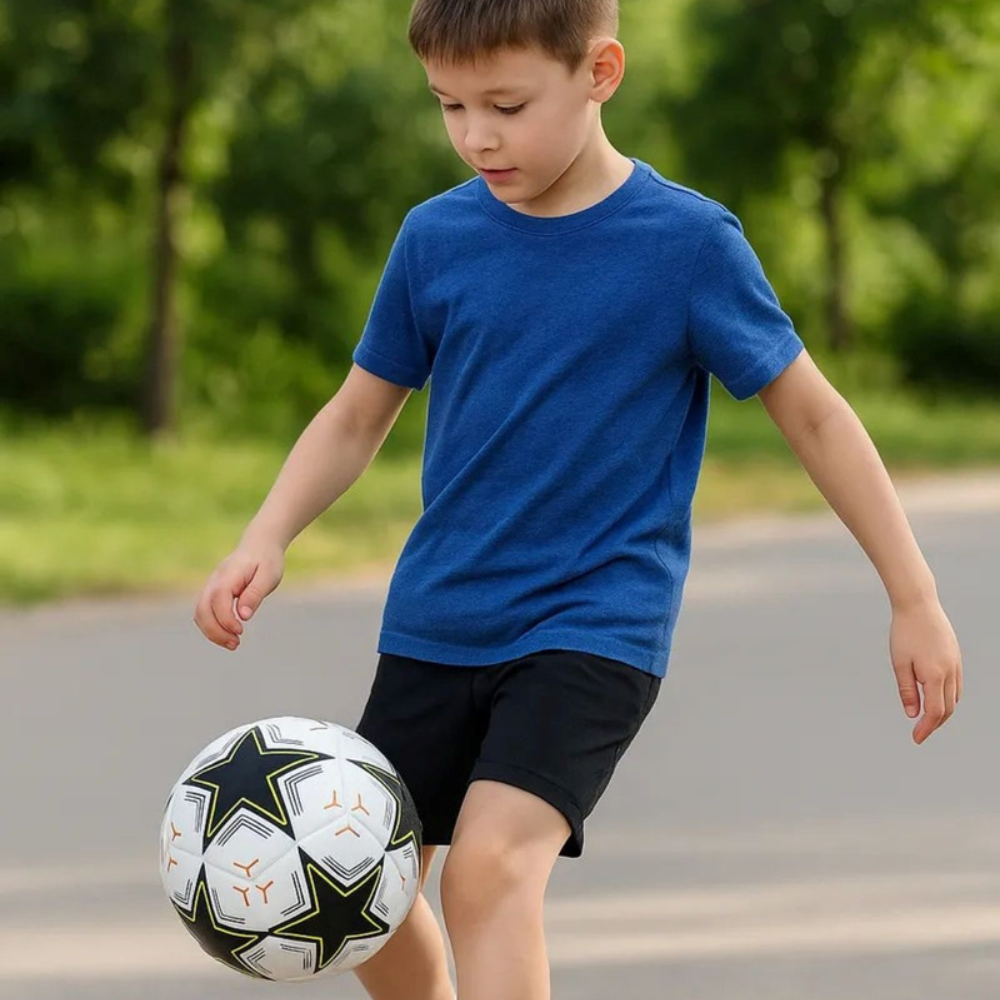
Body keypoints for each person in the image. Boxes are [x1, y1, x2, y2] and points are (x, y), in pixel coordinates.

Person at [193, 1, 964, 998]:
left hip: (591, 627)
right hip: (436, 619)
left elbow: (814, 417)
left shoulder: (686, 245)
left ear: (599, 72)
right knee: (363, 891)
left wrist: (912, 593)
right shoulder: (434, 239)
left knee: (488, 871)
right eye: (449, 104)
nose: (475, 134)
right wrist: (267, 533)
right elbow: (354, 416)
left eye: (506, 105)